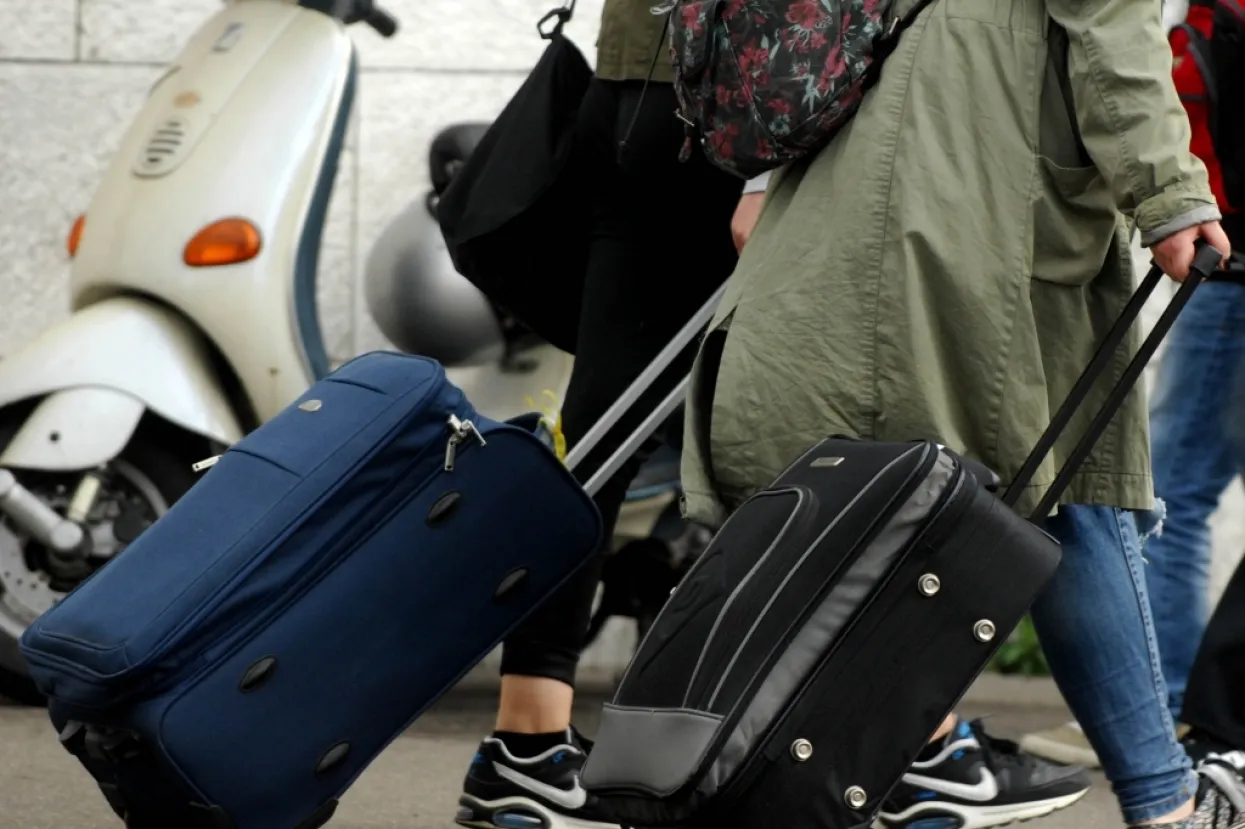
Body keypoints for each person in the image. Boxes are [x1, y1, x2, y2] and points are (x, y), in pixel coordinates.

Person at [453, 3, 1093, 829]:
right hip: (746, 118)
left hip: (638, 91)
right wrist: (763, 172)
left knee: (601, 435)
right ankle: (918, 752)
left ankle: (526, 741)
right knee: (844, 418)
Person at [680, 0, 1243, 827]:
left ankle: (915, 764)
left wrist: (760, 177)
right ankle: (1162, 799)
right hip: (981, 183)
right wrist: (1171, 194)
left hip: (842, 179)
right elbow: (1109, 28)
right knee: (1065, 480)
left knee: (866, 483)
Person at [1019, 0, 1245, 776]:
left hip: (1222, 249)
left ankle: (1163, 709)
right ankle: (1178, 713)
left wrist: (1171, 199)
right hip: (1218, 241)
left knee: (1174, 486)